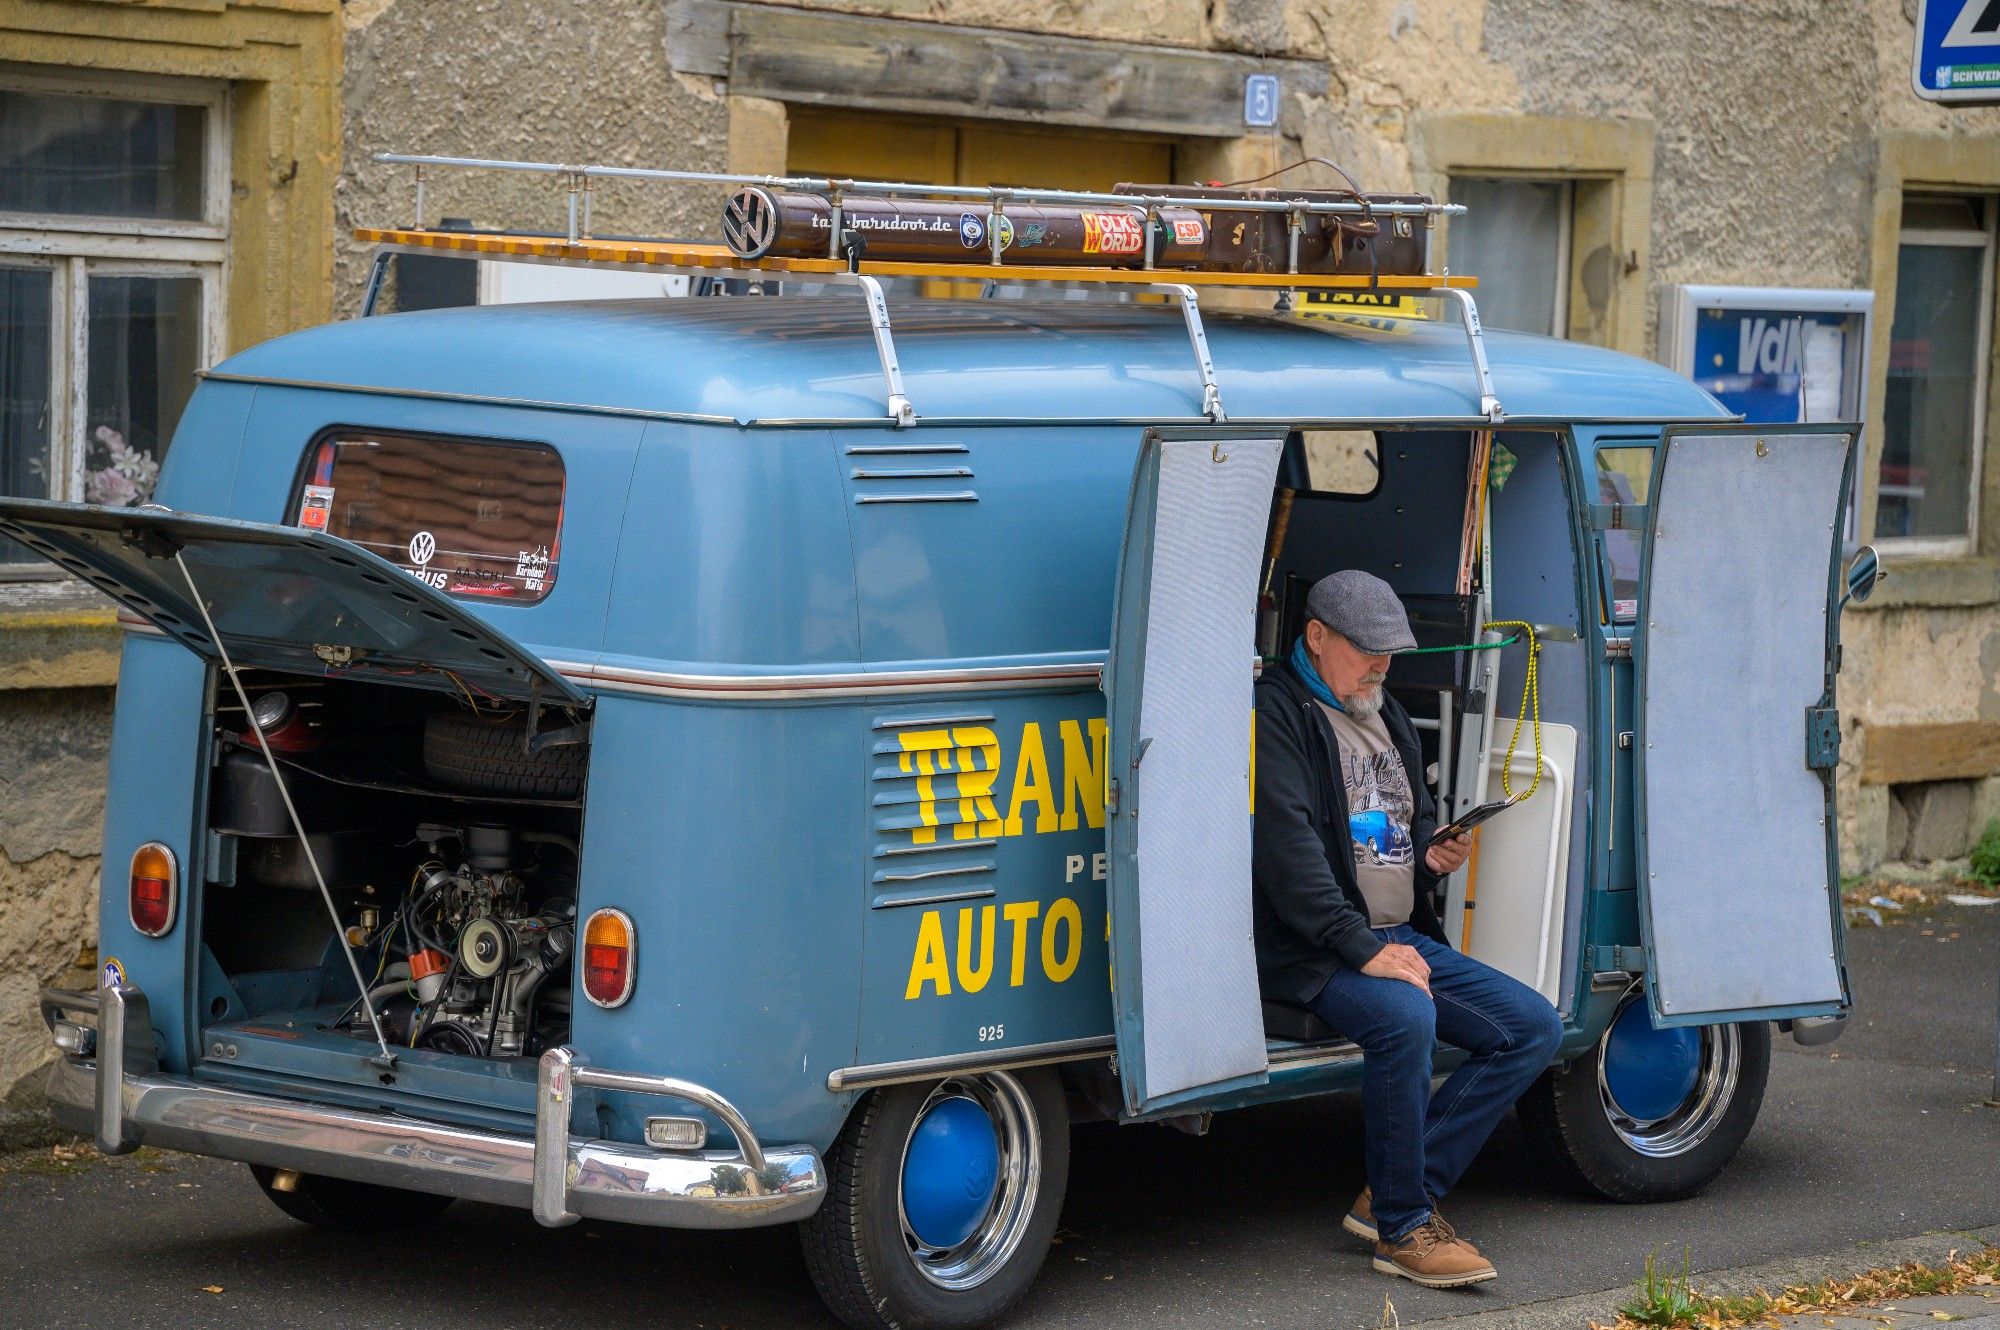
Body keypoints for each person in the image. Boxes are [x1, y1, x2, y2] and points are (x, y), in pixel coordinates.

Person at [1252, 569, 1563, 1288]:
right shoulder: (1276, 712)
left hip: (1391, 934)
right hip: (1315, 947)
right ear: (1317, 636)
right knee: (1406, 1017)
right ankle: (1403, 1229)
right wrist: (1364, 950)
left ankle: (1396, 1190)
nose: (1383, 666)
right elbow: (1289, 857)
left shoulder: (1380, 709)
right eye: (1369, 650)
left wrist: (1431, 856)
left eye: (1392, 651)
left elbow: (1406, 821)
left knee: (1533, 1027)